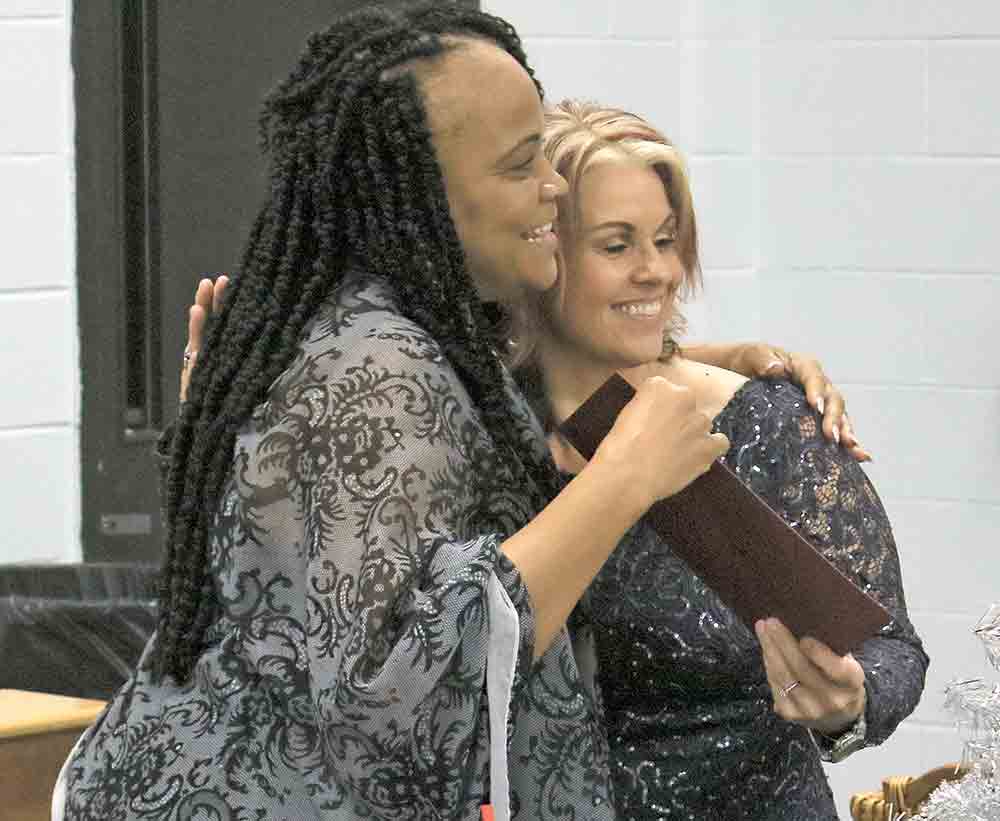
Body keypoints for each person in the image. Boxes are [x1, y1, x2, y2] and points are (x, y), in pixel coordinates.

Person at [57, 6, 733, 820]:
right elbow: (392, 712)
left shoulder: (375, 325)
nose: (555, 186)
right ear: (423, 196)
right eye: (522, 166)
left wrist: (737, 359)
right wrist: (625, 477)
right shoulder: (375, 370)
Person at [508, 100, 927, 820]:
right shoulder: (486, 429)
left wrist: (849, 697)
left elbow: (894, 645)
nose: (658, 271)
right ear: (545, 255)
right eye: (617, 245)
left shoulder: (765, 423)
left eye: (667, 240)